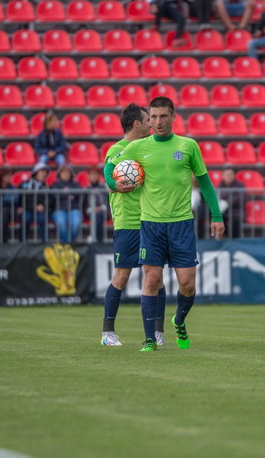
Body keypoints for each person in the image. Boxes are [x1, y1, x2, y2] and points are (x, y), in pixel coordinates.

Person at [106, 96, 225, 352]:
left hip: (181, 224)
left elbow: (204, 181)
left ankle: (179, 321)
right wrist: (113, 184)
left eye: (163, 116)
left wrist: (216, 216)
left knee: (187, 284)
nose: (158, 122)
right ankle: (150, 339)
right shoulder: (138, 147)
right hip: (150, 224)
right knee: (151, 280)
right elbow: (110, 167)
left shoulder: (188, 145)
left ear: (173, 117)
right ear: (148, 119)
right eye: (154, 117)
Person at [101, 103, 167, 347]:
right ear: (137, 123)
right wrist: (114, 184)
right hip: (127, 222)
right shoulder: (117, 149)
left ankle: (158, 332)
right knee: (121, 276)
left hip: (151, 220)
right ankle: (108, 333)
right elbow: (109, 177)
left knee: (156, 277)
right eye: (148, 118)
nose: (153, 123)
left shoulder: (149, 148)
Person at [51, 165, 83, 243]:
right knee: (61, 224)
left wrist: (63, 194)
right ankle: (67, 244)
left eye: (67, 172)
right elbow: (54, 196)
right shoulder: (55, 185)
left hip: (74, 208)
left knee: (76, 224)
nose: (66, 174)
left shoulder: (76, 185)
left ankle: (70, 243)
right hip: (59, 209)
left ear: (71, 174)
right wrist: (70, 195)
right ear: (60, 174)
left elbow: (79, 195)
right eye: (63, 172)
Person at [0, 167, 21, 243]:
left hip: (10, 213)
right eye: (7, 175)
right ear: (1, 176)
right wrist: (6, 201)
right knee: (3, 218)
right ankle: (4, 243)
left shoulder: (13, 188)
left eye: (10, 175)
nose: (9, 177)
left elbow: (15, 199)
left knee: (4, 212)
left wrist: (0, 200)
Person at [21, 163, 50, 243]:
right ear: (35, 173)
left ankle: (44, 243)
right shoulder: (25, 184)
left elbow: (49, 200)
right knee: (25, 218)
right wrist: (34, 207)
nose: (44, 174)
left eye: (45, 172)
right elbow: (23, 199)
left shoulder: (47, 186)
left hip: (41, 210)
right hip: (27, 209)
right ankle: (22, 243)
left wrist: (43, 206)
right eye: (42, 172)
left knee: (43, 219)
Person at [219, 168, 245, 239]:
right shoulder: (219, 186)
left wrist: (227, 202)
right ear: (223, 176)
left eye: (230, 174)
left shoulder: (240, 185)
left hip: (236, 210)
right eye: (227, 174)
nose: (229, 176)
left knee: (235, 219)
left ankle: (235, 240)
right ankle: (223, 238)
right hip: (223, 211)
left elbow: (240, 198)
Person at [84, 166, 108, 244]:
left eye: (96, 174)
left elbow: (107, 202)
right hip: (90, 212)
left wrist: (101, 208)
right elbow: (84, 205)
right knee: (96, 215)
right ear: (88, 176)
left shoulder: (104, 188)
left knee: (98, 215)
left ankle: (94, 238)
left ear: (99, 176)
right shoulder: (86, 189)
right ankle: (99, 241)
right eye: (92, 174)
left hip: (103, 212)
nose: (94, 176)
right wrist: (92, 209)